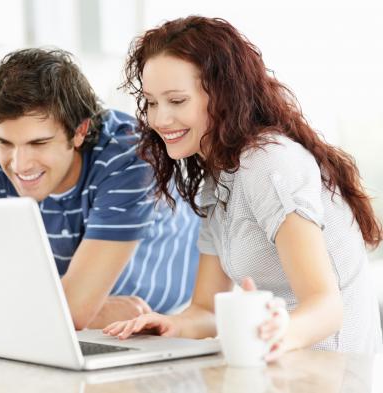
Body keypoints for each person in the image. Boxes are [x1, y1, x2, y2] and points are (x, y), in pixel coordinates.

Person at [103, 16, 383, 358]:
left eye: (176, 101)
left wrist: (278, 332)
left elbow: (326, 307)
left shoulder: (268, 163)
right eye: (151, 102)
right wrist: (169, 325)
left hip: (331, 371)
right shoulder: (217, 175)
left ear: (224, 96)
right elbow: (206, 310)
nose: (159, 119)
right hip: (278, 366)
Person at [0, 48, 200, 332]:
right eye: (5, 142)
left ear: (80, 131)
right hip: (72, 325)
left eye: (38, 143)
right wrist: (85, 310)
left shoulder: (131, 155)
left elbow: (69, 314)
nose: (20, 164)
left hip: (172, 324)